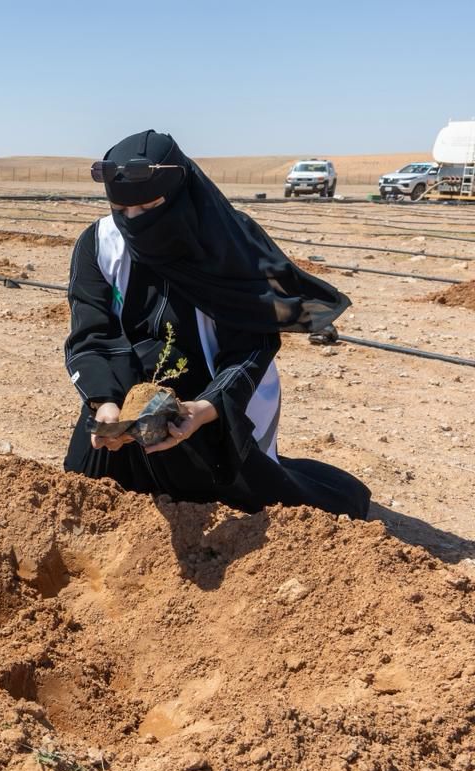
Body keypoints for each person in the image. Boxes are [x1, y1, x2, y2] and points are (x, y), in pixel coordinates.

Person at [63, 129, 371, 519]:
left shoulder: (229, 242)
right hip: (124, 391)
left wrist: (203, 410)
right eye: (121, 210)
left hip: (212, 392)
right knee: (85, 486)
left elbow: (253, 345)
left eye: (149, 206)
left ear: (179, 194)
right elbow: (92, 334)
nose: (134, 221)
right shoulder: (99, 243)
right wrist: (105, 402)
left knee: (250, 510)